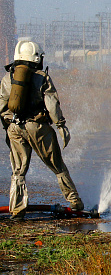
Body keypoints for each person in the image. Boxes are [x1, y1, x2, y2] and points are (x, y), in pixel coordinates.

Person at [0, 40, 83, 220]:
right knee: (57, 165)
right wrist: (61, 125)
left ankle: (17, 209)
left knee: (18, 171)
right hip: (37, 127)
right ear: (36, 58)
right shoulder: (42, 77)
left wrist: (9, 128)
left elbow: (2, 108)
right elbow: (52, 105)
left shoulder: (7, 78)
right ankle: (74, 201)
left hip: (14, 127)